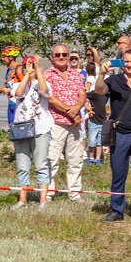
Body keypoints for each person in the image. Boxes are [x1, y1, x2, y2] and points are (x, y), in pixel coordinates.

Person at [95, 49, 131, 224]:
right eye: (126, 62)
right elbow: (99, 91)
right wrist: (101, 74)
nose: (129, 65)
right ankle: (116, 210)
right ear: (123, 63)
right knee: (118, 174)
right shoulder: (114, 80)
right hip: (120, 133)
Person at [44, 44, 87, 201]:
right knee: (52, 159)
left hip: (75, 123)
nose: (61, 57)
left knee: (75, 160)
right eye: (57, 55)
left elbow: (82, 94)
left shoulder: (76, 74)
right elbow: (51, 98)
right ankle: (48, 192)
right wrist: (72, 112)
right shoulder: (47, 75)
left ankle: (75, 193)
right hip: (56, 122)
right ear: (52, 57)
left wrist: (76, 109)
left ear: (68, 56)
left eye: (64, 55)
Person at [11, 55, 53, 209]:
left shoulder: (44, 82)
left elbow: (44, 91)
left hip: (40, 128)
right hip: (21, 128)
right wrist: (27, 75)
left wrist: (38, 69)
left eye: (32, 66)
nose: (30, 68)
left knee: (41, 165)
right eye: (26, 66)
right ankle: (23, 200)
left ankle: (43, 200)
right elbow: (19, 94)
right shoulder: (17, 84)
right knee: (22, 165)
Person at [84, 64, 106, 165]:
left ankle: (98, 159)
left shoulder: (106, 94)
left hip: (103, 121)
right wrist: (87, 107)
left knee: (100, 142)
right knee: (92, 141)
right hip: (93, 120)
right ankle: (91, 157)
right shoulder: (93, 93)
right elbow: (84, 96)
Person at [0, 46, 22, 124]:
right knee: (11, 127)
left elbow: (26, 87)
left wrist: (8, 90)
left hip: (18, 103)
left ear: (11, 57)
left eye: (4, 57)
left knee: (18, 128)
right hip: (11, 102)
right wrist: (4, 89)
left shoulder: (19, 69)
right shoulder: (9, 70)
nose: (2, 59)